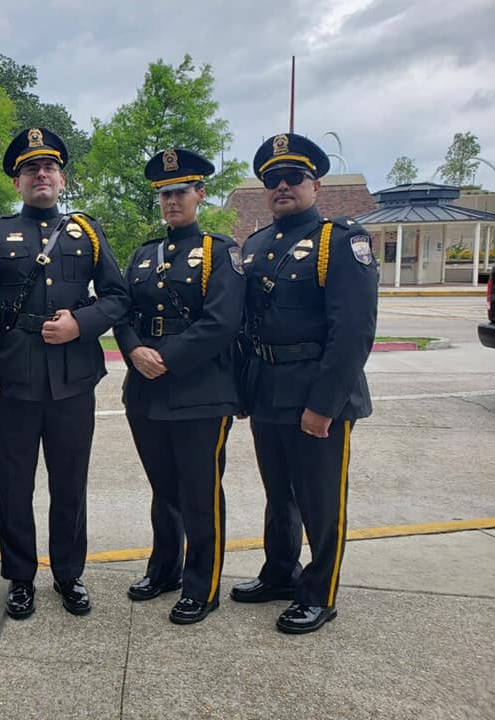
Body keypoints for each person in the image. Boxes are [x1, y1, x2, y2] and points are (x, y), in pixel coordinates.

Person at [0, 128, 129, 619]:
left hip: (72, 379)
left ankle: (69, 574)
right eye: (30, 169)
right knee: (13, 484)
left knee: (70, 483)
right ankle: (19, 577)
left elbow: (118, 297)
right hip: (11, 380)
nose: (41, 175)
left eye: (49, 167)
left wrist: (82, 323)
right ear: (18, 182)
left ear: (61, 177)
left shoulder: (88, 232)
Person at [231, 133, 378, 634]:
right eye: (273, 180)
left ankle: (319, 593)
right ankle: (279, 573)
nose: (282, 187)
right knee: (279, 494)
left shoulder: (340, 242)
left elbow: (353, 332)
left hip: (317, 394)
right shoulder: (254, 246)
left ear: (315, 184)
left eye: (293, 177)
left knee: (320, 499)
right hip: (268, 389)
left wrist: (324, 405)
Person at [114, 148, 245, 623]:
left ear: (200, 195)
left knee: (199, 491)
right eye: (165, 194)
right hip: (146, 392)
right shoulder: (145, 254)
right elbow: (121, 312)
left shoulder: (220, 251)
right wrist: (133, 350)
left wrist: (163, 358)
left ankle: (203, 585)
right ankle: (164, 568)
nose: (172, 201)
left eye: (181, 192)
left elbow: (222, 322)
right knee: (163, 488)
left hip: (200, 394)